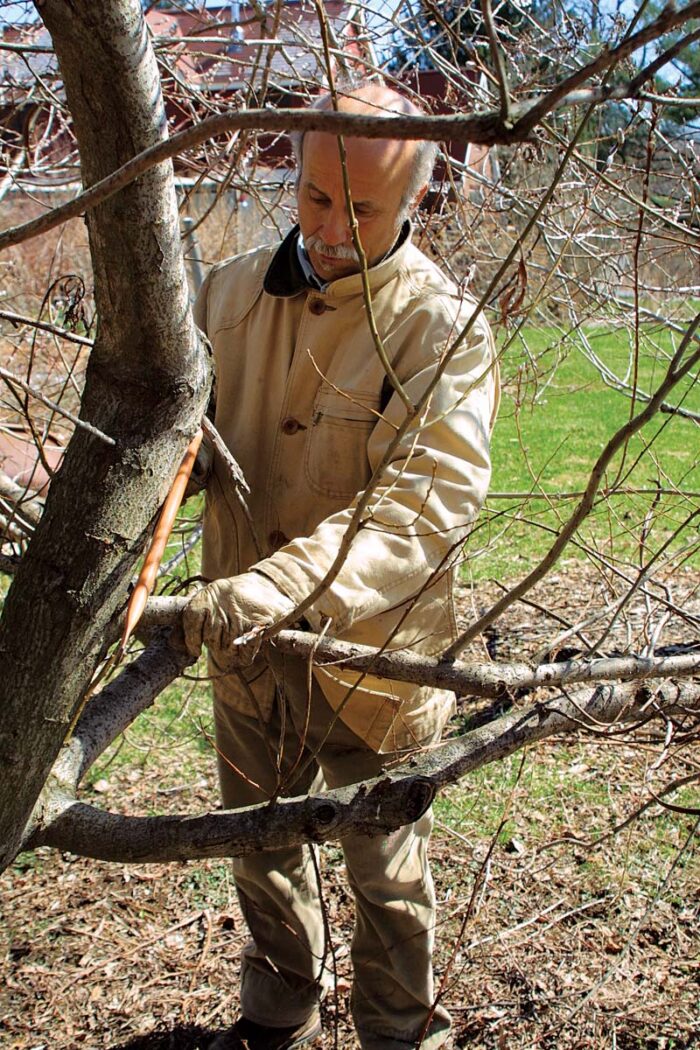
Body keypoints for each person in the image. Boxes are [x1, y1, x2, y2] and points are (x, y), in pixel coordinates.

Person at [183, 81, 500, 1050]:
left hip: (375, 662)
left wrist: (282, 591)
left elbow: (418, 509)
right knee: (260, 846)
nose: (331, 226)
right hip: (245, 648)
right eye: (315, 197)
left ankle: (400, 1034)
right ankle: (276, 1008)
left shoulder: (444, 330)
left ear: (413, 200)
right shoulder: (227, 294)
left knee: (387, 873)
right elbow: (172, 433)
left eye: (362, 208)